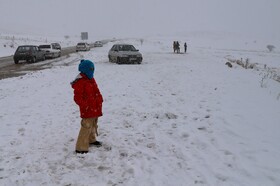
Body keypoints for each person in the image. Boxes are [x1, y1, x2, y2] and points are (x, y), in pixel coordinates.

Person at [71, 59, 103, 154]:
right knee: (86, 127)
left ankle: (91, 140)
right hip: (88, 109)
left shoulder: (91, 79)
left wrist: (100, 98)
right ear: (85, 70)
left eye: (93, 69)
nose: (92, 71)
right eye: (91, 69)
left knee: (93, 125)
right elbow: (77, 98)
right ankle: (80, 147)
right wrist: (86, 106)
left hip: (95, 107)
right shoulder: (80, 82)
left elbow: (96, 91)